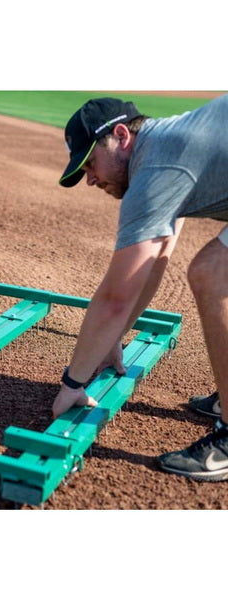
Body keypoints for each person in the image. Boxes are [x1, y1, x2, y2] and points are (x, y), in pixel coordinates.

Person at [54, 94, 228, 481]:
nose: (91, 178)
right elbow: (155, 261)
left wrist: (73, 383)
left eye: (91, 163)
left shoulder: (156, 171)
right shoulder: (167, 149)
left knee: (212, 273)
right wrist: (112, 336)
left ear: (120, 135)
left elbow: (116, 297)